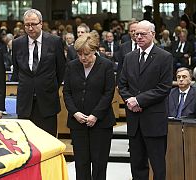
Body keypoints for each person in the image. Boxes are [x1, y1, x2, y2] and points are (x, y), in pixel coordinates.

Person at [118, 20, 173, 180]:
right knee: (137, 164)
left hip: (154, 120)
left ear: (153, 35)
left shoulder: (164, 57)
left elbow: (164, 87)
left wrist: (139, 100)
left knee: (157, 165)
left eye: (143, 34)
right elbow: (122, 85)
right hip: (134, 120)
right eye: (136, 34)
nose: (139, 37)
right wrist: (130, 101)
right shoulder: (129, 57)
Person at [63, 32, 115, 180]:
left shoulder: (106, 65)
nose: (82, 58)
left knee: (99, 164)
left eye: (86, 54)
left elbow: (108, 93)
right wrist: (75, 113)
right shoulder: (72, 66)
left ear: (94, 50)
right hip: (77, 123)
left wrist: (95, 115)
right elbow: (67, 93)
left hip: (101, 123)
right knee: (81, 163)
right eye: (79, 54)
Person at [11, 9, 66, 137]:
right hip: (26, 102)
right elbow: (17, 71)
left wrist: (49, 86)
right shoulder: (17, 43)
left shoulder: (54, 42)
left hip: (47, 100)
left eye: (33, 24)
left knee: (48, 140)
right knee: (27, 142)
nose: (30, 28)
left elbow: (61, 70)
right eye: (27, 25)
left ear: (41, 23)